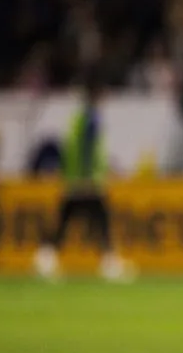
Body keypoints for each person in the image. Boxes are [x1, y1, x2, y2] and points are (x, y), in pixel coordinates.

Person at [34, 79, 135, 281]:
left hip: (76, 179)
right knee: (100, 218)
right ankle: (109, 260)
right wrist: (91, 175)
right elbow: (88, 151)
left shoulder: (78, 117)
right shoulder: (91, 118)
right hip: (87, 181)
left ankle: (46, 255)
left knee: (68, 218)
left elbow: (72, 148)